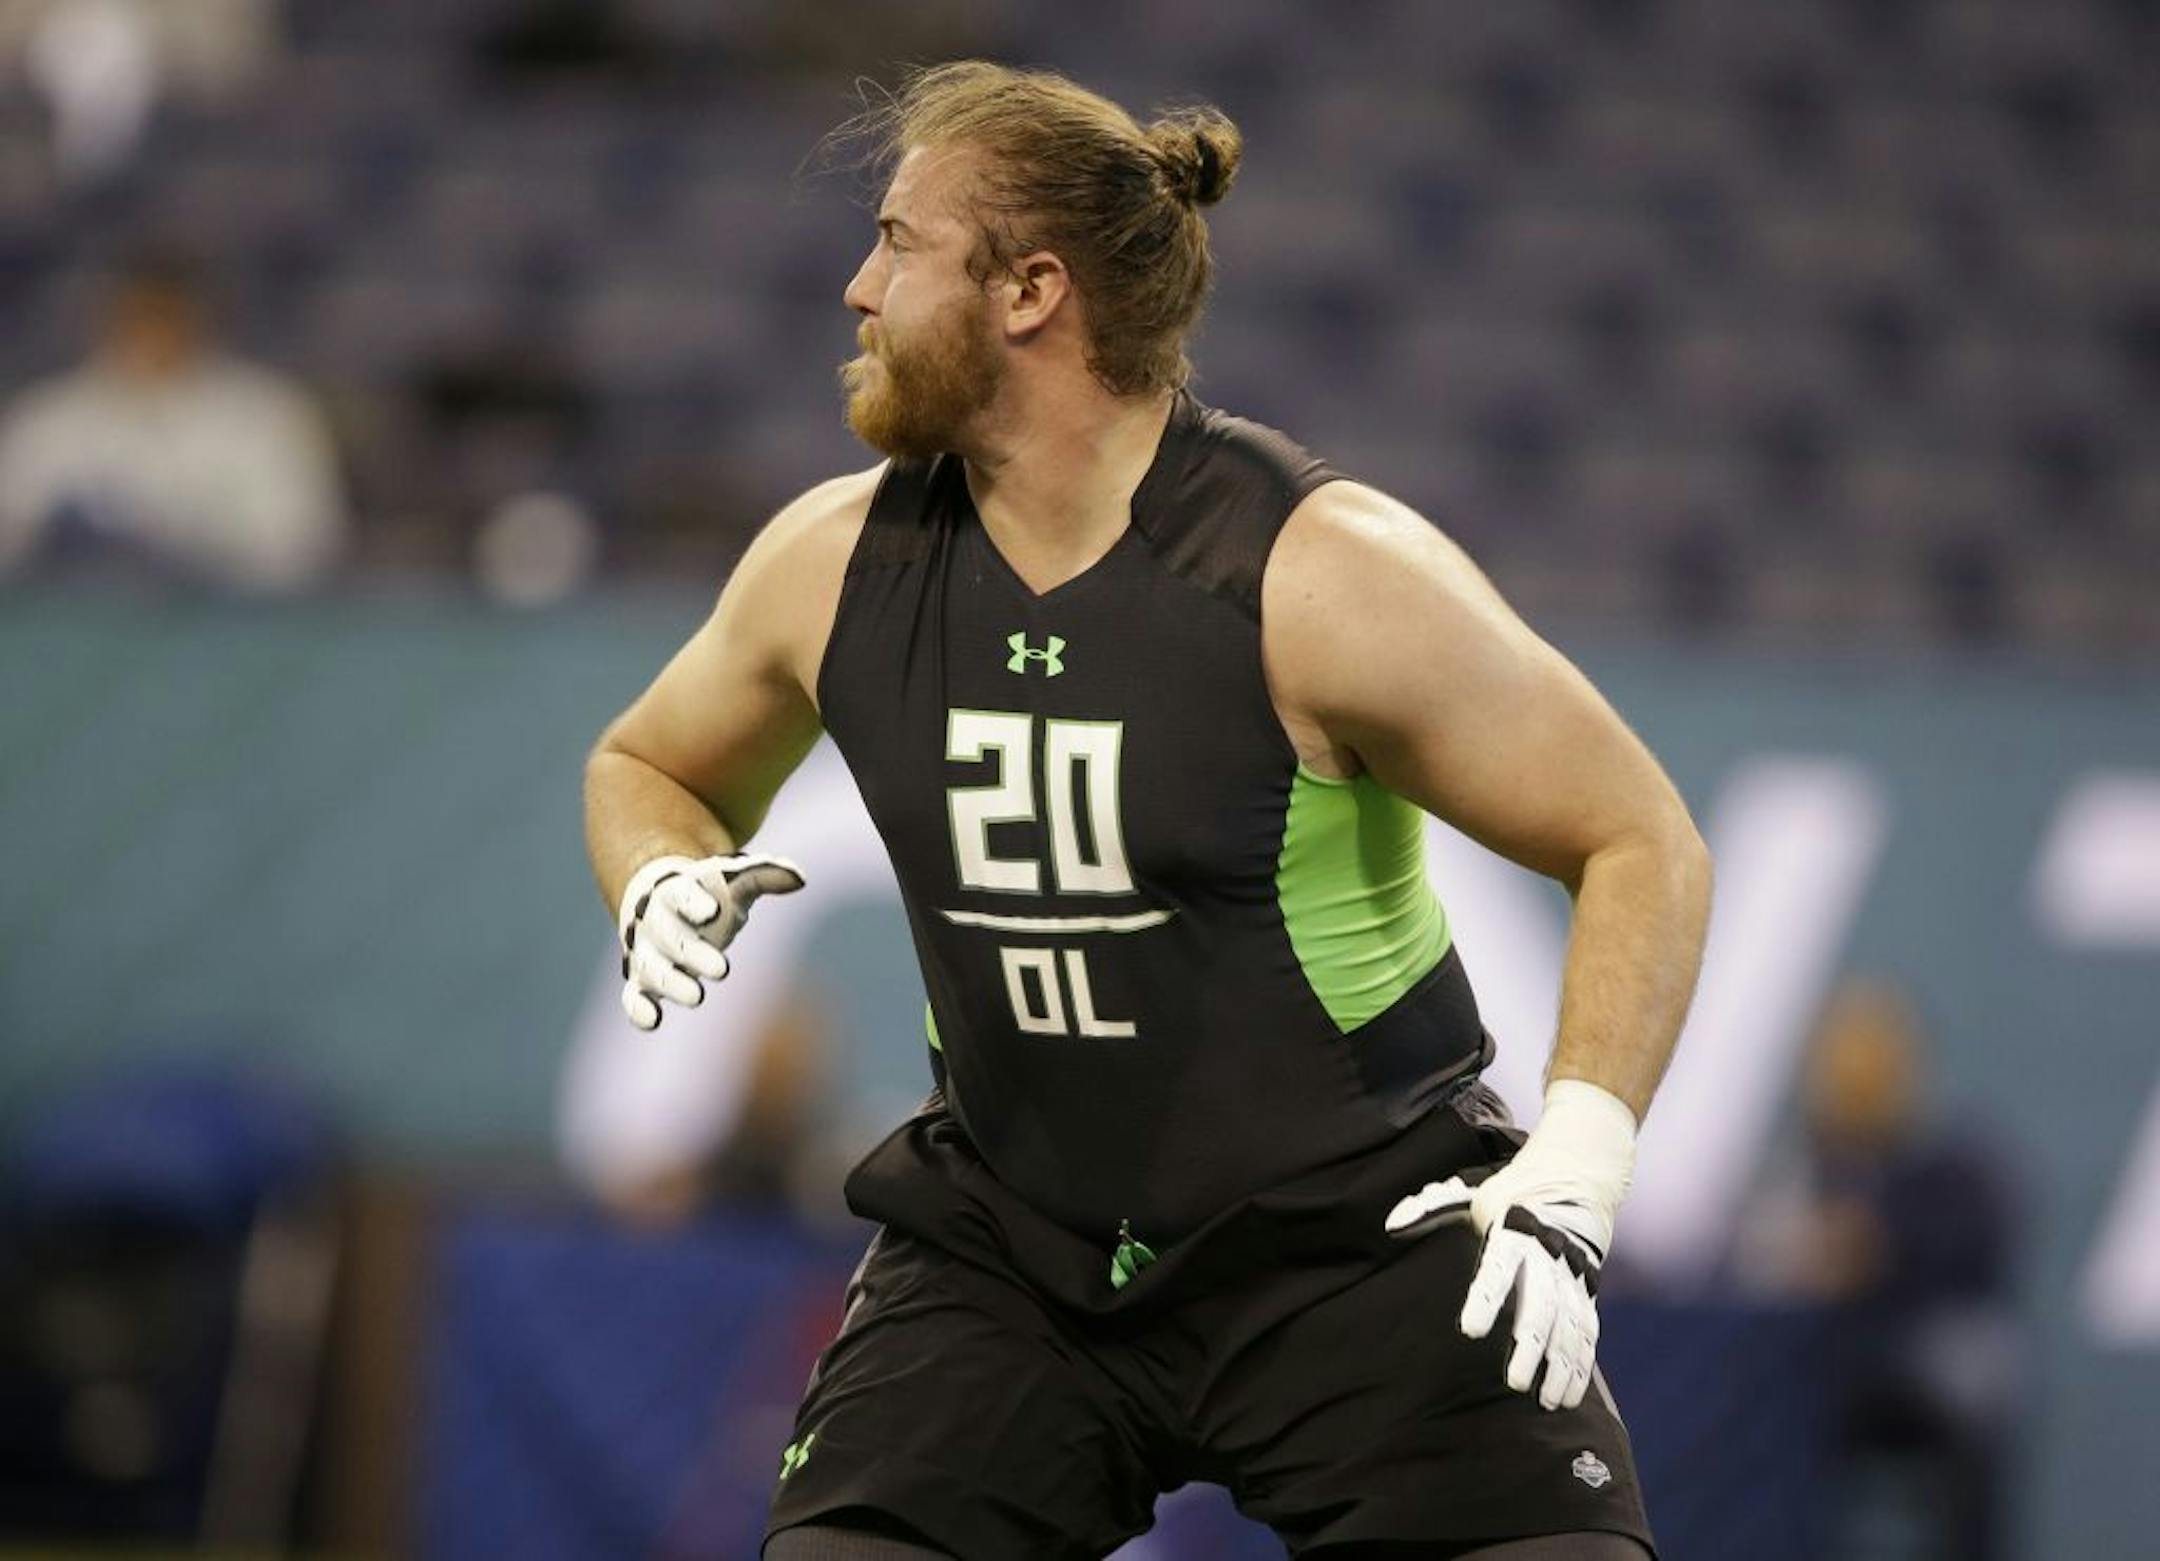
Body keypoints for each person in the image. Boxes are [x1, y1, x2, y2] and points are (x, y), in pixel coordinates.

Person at [584, 63, 1712, 1561]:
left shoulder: (1322, 572)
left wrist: (1577, 1161)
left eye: (900, 241)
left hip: (1360, 1240)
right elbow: (646, 764)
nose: (858, 287)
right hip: (1011, 1251)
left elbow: (1640, 838)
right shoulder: (831, 562)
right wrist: (657, 872)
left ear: (1031, 291)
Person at [0, 252, 344, 592]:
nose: (151, 334)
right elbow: (10, 537)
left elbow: (302, 545)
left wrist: (187, 546)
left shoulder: (265, 414)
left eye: (165, 316)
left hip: (222, 616)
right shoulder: (46, 420)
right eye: (138, 317)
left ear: (200, 319)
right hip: (74, 614)